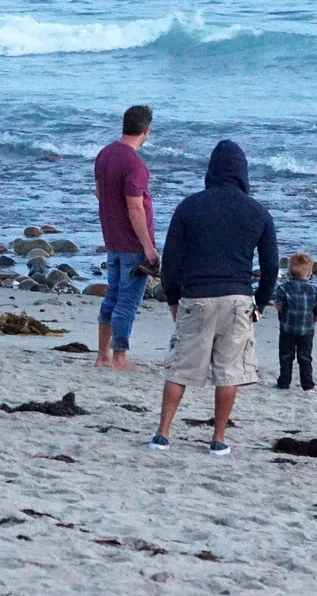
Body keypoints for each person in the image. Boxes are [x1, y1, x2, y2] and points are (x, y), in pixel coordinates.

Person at [149, 140, 278, 456]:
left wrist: (173, 299)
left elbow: (172, 262)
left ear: (211, 171)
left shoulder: (189, 207)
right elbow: (272, 267)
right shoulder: (258, 212)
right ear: (243, 173)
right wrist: (258, 306)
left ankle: (162, 434)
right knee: (229, 372)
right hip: (238, 300)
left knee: (179, 368)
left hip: (197, 297)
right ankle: (218, 439)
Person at [93, 105, 158, 371]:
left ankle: (102, 355)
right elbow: (135, 206)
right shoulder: (135, 164)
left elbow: (99, 193)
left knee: (113, 295)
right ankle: (119, 357)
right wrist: (149, 248)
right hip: (132, 242)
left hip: (112, 237)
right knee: (128, 300)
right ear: (146, 130)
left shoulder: (104, 154)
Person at [274, 253, 317, 391]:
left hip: (287, 328)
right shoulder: (313, 290)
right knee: (305, 357)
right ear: (309, 274)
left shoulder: (283, 288)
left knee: (285, 356)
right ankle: (307, 384)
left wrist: (282, 312)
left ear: (290, 272)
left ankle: (284, 382)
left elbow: (278, 305)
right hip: (306, 329)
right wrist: (315, 317)